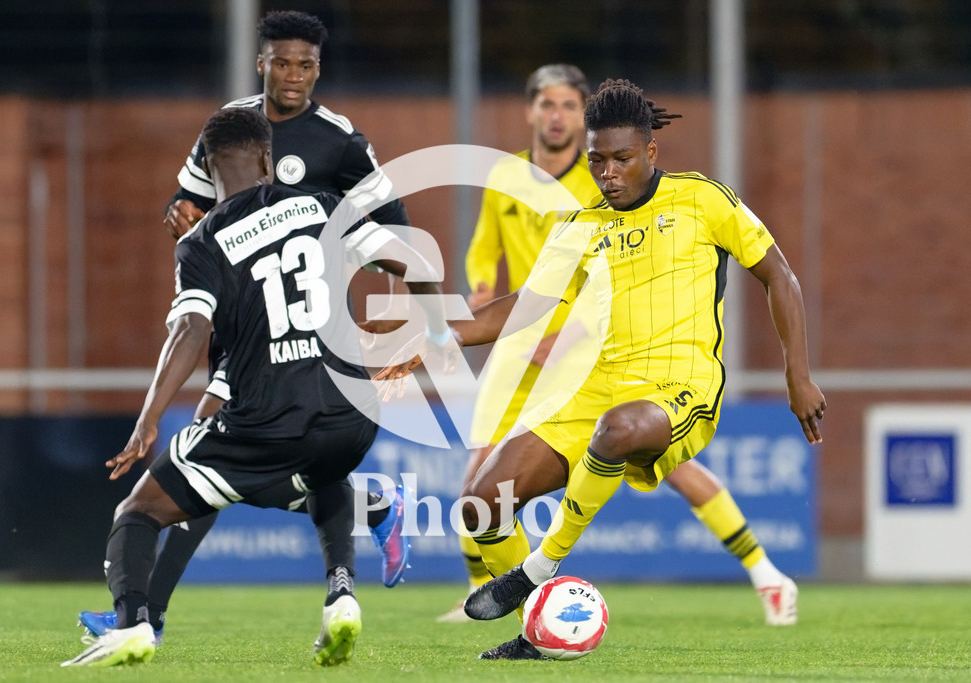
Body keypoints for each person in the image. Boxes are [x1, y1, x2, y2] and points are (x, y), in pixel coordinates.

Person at [378, 78, 825, 659]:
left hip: (679, 385)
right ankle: (544, 627)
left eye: (621, 159)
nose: (608, 173)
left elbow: (778, 275)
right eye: (597, 162)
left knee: (617, 430)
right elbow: (525, 307)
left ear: (651, 152)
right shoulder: (579, 227)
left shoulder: (702, 200)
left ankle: (542, 564)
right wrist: (439, 336)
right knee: (480, 503)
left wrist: (799, 374)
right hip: (596, 388)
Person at [62, 107, 452, 667]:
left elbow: (192, 328)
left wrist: (149, 417)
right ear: (268, 159)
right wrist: (434, 332)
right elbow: (411, 261)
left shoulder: (200, 242)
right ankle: (345, 583)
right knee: (316, 476)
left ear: (206, 166)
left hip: (269, 408)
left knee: (140, 511)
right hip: (352, 413)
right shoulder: (320, 204)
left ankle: (133, 624)